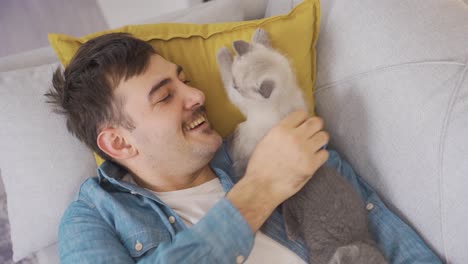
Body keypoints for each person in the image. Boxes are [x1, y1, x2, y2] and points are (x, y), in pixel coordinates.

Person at [46, 33, 441, 264]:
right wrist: (260, 191)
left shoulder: (276, 143)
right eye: (166, 97)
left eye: (183, 80)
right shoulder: (93, 218)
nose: (198, 94)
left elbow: (392, 242)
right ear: (118, 141)